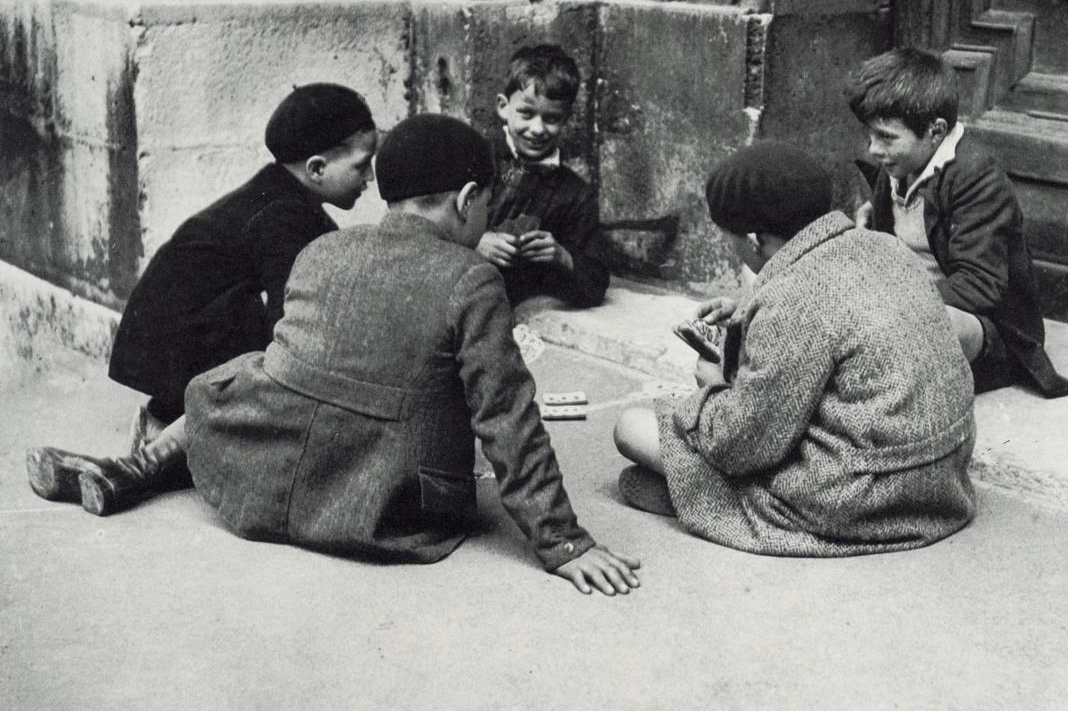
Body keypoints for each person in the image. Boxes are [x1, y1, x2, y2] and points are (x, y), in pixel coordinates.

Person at [52, 114, 641, 596]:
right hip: (389, 511)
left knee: (240, 376)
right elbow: (508, 418)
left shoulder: (324, 248)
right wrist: (563, 542)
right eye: (485, 203)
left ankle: (140, 464)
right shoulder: (473, 277)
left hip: (267, 483)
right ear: (466, 200)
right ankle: (141, 466)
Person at [613, 141, 977, 557]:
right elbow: (842, 309)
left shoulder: (791, 302)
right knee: (646, 473)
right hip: (942, 481)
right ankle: (694, 492)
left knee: (631, 428)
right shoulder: (884, 246)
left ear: (753, 238)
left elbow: (742, 447)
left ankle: (707, 496)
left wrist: (711, 388)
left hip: (861, 498)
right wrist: (749, 310)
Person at [26, 82, 377, 505]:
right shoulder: (283, 218)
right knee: (286, 370)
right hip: (177, 343)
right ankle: (155, 454)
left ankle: (157, 434)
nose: (370, 178)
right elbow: (296, 318)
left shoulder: (282, 197)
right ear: (317, 169)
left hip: (164, 340)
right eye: (362, 166)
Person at [845, 47, 1068, 397]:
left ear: (936, 132)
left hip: (982, 327)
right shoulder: (898, 164)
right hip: (904, 304)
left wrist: (888, 304)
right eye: (870, 135)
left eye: (887, 137)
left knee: (919, 326)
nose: (874, 149)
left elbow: (980, 285)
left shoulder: (975, 176)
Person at [476, 44, 610, 307]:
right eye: (526, 113)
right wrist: (475, 242)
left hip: (517, 306)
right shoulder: (476, 158)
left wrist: (562, 256)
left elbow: (596, 280)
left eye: (551, 118)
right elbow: (428, 232)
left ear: (566, 119)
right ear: (504, 107)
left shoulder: (575, 194)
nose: (537, 129)